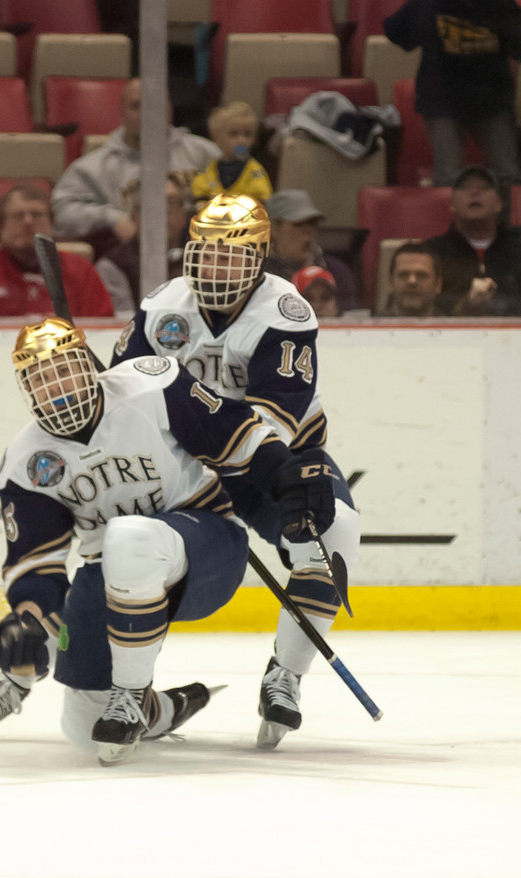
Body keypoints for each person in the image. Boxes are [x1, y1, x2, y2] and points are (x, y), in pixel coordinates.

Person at [0, 317, 336, 765]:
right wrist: (27, 622)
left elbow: (230, 431)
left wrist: (281, 469)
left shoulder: (151, 385)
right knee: (81, 727)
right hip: (112, 576)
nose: (55, 388)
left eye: (64, 371)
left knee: (128, 535)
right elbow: (36, 565)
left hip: (205, 548)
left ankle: (128, 693)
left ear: (88, 366)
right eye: (40, 380)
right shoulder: (25, 462)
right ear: (25, 391)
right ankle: (165, 706)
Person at [110, 194, 362, 750]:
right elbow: (122, 398)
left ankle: (286, 675)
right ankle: (131, 688)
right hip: (184, 468)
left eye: (230, 257)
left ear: (259, 259)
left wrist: (203, 427)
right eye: (204, 254)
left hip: (276, 461)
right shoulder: (161, 307)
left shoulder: (286, 313)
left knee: (335, 534)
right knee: (131, 550)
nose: (214, 268)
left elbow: (272, 424)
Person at [50, 77, 220, 253]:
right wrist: (113, 219)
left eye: (155, 106)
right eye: (136, 106)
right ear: (121, 111)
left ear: (169, 110)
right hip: (131, 261)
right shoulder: (93, 168)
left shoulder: (204, 153)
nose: (146, 114)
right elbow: (61, 214)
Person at [384, 0, 521, 210]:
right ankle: (450, 236)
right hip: (442, 101)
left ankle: (509, 236)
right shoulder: (429, 3)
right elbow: (396, 33)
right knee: (448, 178)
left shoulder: (498, 3)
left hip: (492, 100)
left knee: (507, 176)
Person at [0, 183, 115, 318]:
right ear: (1, 226)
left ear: (52, 224)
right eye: (18, 215)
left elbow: (102, 327)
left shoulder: (81, 270)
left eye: (36, 215)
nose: (28, 222)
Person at [424, 165, 521, 316]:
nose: (475, 192)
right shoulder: (432, 251)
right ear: (452, 204)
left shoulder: (518, 246)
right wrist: (465, 304)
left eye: (484, 188)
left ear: (499, 204)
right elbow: (423, 302)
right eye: (464, 188)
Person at [94, 171, 192, 318]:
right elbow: (122, 323)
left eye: (172, 203)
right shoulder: (112, 265)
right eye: (153, 204)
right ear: (134, 215)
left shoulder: (201, 259)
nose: (164, 211)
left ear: (184, 214)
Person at [262, 189, 360, 314]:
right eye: (299, 224)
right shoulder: (259, 275)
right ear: (274, 229)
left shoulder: (338, 272)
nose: (308, 232)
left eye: (312, 223)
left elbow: (352, 325)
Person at [191, 101, 273, 208]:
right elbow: (199, 196)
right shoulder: (209, 171)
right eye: (233, 134)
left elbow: (263, 199)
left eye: (248, 134)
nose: (241, 140)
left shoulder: (255, 171)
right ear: (216, 138)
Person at [383, 241, 443, 317]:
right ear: (391, 283)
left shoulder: (455, 327)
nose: (412, 281)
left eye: (422, 275)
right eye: (403, 275)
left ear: (438, 285)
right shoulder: (369, 327)